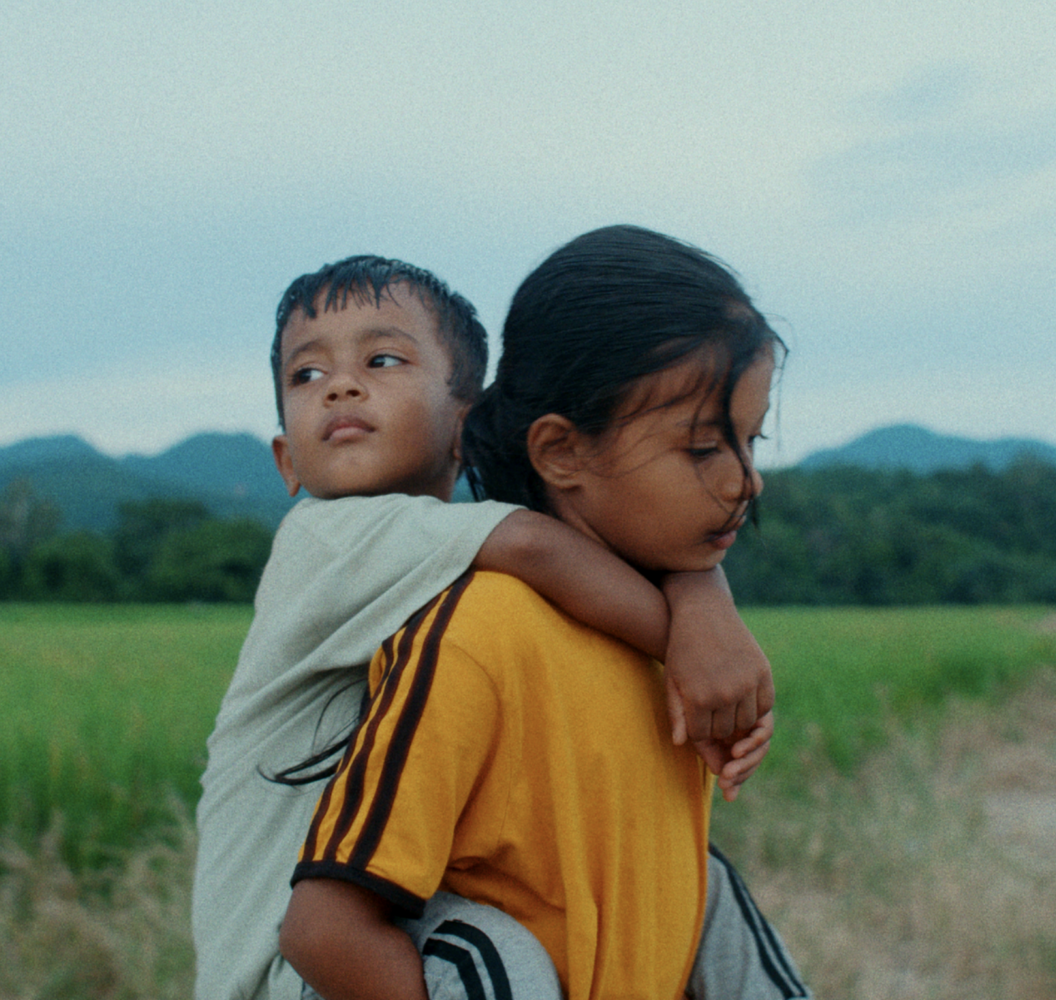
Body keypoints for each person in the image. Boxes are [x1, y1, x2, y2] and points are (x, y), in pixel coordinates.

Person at [191, 254, 778, 1000]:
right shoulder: (323, 537)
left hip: (375, 923)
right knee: (485, 949)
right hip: (291, 971)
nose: (339, 386)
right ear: (287, 463)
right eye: (306, 375)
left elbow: (600, 548)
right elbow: (539, 544)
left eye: (381, 360)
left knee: (698, 881)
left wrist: (701, 589)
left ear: (464, 426)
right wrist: (698, 641)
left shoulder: (451, 560)